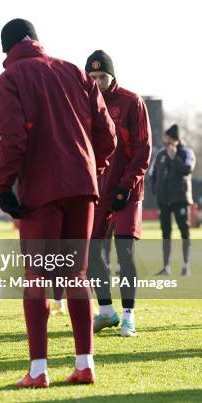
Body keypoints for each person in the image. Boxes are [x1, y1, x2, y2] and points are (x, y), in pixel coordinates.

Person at [0, 19, 116, 388]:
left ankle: (38, 371)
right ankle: (85, 364)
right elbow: (106, 132)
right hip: (83, 186)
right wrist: (93, 167)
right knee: (76, 275)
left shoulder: (8, 80)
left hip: (41, 190)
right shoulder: (73, 71)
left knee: (37, 278)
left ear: (6, 49)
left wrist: (3, 185)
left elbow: (13, 136)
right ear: (37, 40)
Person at [84, 50, 152, 338]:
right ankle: (107, 312)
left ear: (112, 76)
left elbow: (143, 150)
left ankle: (128, 316)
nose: (97, 82)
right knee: (91, 252)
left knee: (124, 251)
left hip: (128, 191)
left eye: (102, 76)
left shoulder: (131, 102)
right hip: (99, 191)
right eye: (92, 77)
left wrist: (125, 186)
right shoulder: (82, 104)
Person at [150, 124, 196, 276]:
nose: (166, 141)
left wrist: (174, 157)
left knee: (184, 231)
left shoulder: (186, 152)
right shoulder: (160, 154)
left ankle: (186, 266)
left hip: (180, 199)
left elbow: (187, 170)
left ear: (175, 139)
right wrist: (155, 190)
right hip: (164, 201)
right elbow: (153, 173)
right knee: (165, 233)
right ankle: (166, 267)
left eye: (169, 138)